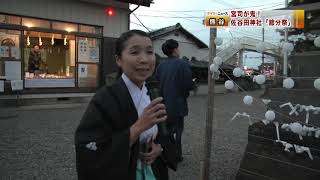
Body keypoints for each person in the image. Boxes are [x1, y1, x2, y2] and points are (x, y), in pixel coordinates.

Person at [75, 30, 172, 180]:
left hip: (153, 168)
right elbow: (88, 147)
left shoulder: (154, 91)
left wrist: (160, 148)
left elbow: (165, 132)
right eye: (135, 52)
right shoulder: (106, 98)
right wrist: (139, 126)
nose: (144, 59)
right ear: (118, 59)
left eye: (149, 52)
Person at [155, 39, 194, 162]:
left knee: (164, 130)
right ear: (175, 50)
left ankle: (165, 153)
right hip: (177, 104)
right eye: (178, 48)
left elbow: (156, 83)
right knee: (178, 131)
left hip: (162, 104)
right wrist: (187, 90)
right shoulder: (182, 64)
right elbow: (188, 84)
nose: (179, 50)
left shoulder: (161, 65)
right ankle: (176, 155)